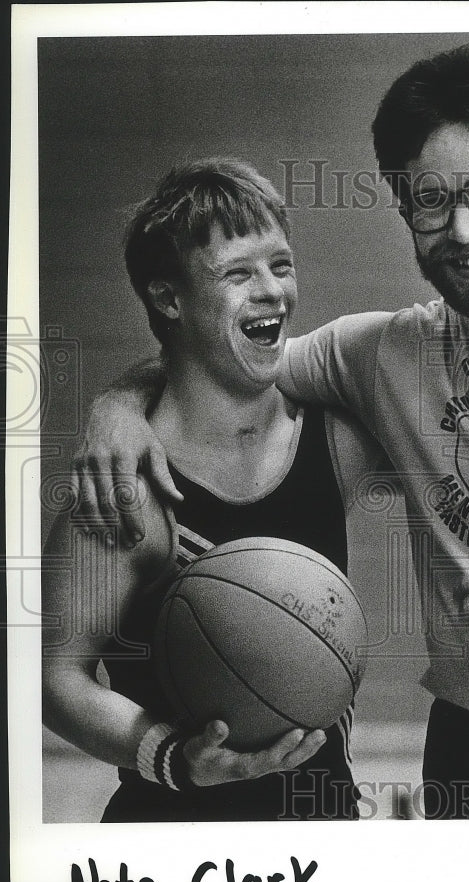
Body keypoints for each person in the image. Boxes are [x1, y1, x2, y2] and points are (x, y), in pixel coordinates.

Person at [69, 47, 469, 820]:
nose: (465, 228)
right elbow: (217, 359)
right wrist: (116, 406)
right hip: (468, 752)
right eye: (431, 202)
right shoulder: (381, 354)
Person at [42, 159, 385, 821]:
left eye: (281, 266)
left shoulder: (338, 442)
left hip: (323, 828)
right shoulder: (124, 490)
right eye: (238, 273)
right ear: (169, 299)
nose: (272, 293)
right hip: (174, 844)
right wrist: (168, 754)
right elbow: (55, 680)